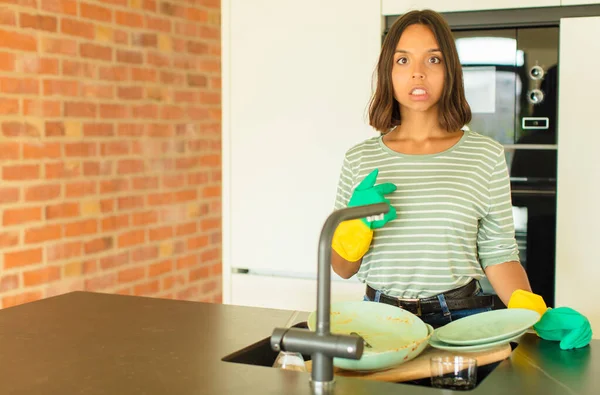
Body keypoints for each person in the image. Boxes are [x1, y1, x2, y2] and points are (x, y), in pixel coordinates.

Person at [329, 9, 591, 348]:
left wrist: (533, 312)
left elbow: (499, 254)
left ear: (450, 69)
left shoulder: (485, 156)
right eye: (403, 60)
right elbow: (342, 268)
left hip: (460, 321)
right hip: (378, 322)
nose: (418, 73)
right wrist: (354, 230)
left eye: (433, 59)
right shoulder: (360, 158)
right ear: (387, 72)